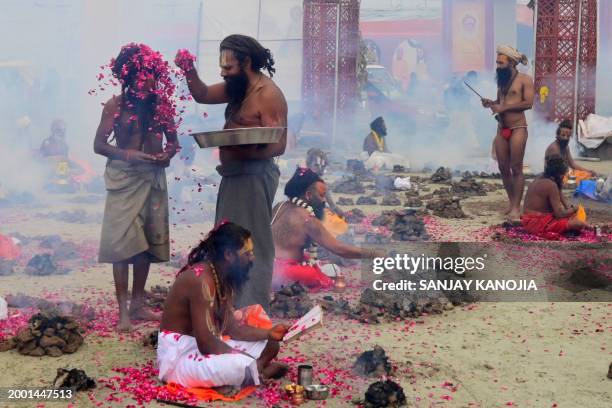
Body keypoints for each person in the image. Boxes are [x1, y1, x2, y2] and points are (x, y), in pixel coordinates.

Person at [176, 35, 288, 312]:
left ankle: (252, 307)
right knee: (228, 240)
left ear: (246, 62)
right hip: (234, 176)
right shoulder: (238, 89)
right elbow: (202, 95)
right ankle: (230, 303)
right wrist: (188, 69)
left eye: (228, 67)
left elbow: (279, 143)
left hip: (253, 177)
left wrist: (240, 152)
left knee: (251, 242)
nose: (223, 72)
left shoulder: (268, 94)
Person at [94, 44, 178, 332]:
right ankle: (123, 313)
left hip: (153, 178)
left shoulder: (162, 106)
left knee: (146, 243)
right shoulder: (114, 105)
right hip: (123, 180)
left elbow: (174, 142)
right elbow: (99, 145)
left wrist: (167, 154)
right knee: (121, 244)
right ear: (129, 77)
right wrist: (128, 155)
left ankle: (138, 305)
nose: (150, 81)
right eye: (144, 75)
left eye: (153, 75)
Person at [158, 222, 288, 392]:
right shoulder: (201, 281)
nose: (252, 258)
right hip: (180, 357)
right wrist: (241, 357)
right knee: (240, 364)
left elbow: (232, 330)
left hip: (207, 347)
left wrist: (270, 333)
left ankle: (254, 371)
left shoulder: (222, 277)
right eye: (247, 253)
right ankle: (256, 371)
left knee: (271, 345)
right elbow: (205, 343)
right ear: (229, 255)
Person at [271, 168, 382, 289]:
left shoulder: (279, 206)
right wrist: (374, 254)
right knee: (312, 274)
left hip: (265, 265)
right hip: (281, 273)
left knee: (309, 261)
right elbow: (339, 249)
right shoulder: (308, 219)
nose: (324, 200)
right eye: (322, 195)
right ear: (308, 195)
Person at [482, 45, 534, 221]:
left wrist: (504, 107)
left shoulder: (525, 80)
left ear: (511, 62)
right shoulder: (502, 81)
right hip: (501, 128)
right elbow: (500, 101)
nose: (497, 65)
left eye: (501, 62)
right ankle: (512, 204)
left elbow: (528, 103)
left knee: (516, 168)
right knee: (503, 167)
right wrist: (491, 103)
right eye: (497, 62)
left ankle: (516, 208)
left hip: (518, 128)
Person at [521, 155, 589, 236]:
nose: (563, 178)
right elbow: (559, 214)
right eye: (563, 175)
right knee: (578, 224)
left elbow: (561, 196)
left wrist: (570, 210)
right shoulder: (551, 185)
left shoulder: (541, 176)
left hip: (528, 221)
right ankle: (582, 227)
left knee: (572, 218)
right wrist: (575, 209)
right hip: (537, 224)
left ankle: (586, 226)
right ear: (559, 175)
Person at [545, 119, 597, 184]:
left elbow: (572, 164)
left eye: (568, 136)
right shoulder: (554, 149)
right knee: (583, 179)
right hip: (554, 177)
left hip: (565, 174)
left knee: (588, 175)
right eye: (563, 135)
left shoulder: (566, 147)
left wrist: (588, 171)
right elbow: (555, 171)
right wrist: (572, 174)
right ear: (557, 136)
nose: (566, 138)